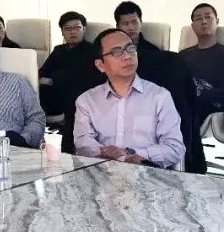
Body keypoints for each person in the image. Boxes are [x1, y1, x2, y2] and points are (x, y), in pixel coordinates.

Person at [73, 29, 185, 168]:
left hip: (146, 173)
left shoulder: (159, 97)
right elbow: (83, 144)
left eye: (130, 48)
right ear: (100, 65)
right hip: (102, 173)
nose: (127, 56)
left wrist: (133, 154)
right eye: (116, 52)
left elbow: (175, 148)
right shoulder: (87, 101)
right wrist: (106, 153)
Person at [179, 3, 224, 125]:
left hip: (209, 110)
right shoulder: (183, 55)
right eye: (198, 19)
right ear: (193, 26)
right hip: (184, 106)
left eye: (208, 17)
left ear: (217, 21)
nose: (204, 22)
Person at [39, 11, 95, 116]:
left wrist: (51, 80)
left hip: (77, 101)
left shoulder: (93, 51)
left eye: (77, 27)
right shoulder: (58, 50)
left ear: (84, 29)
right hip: (53, 97)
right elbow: (43, 72)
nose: (72, 32)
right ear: (62, 32)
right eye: (67, 28)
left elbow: (81, 77)